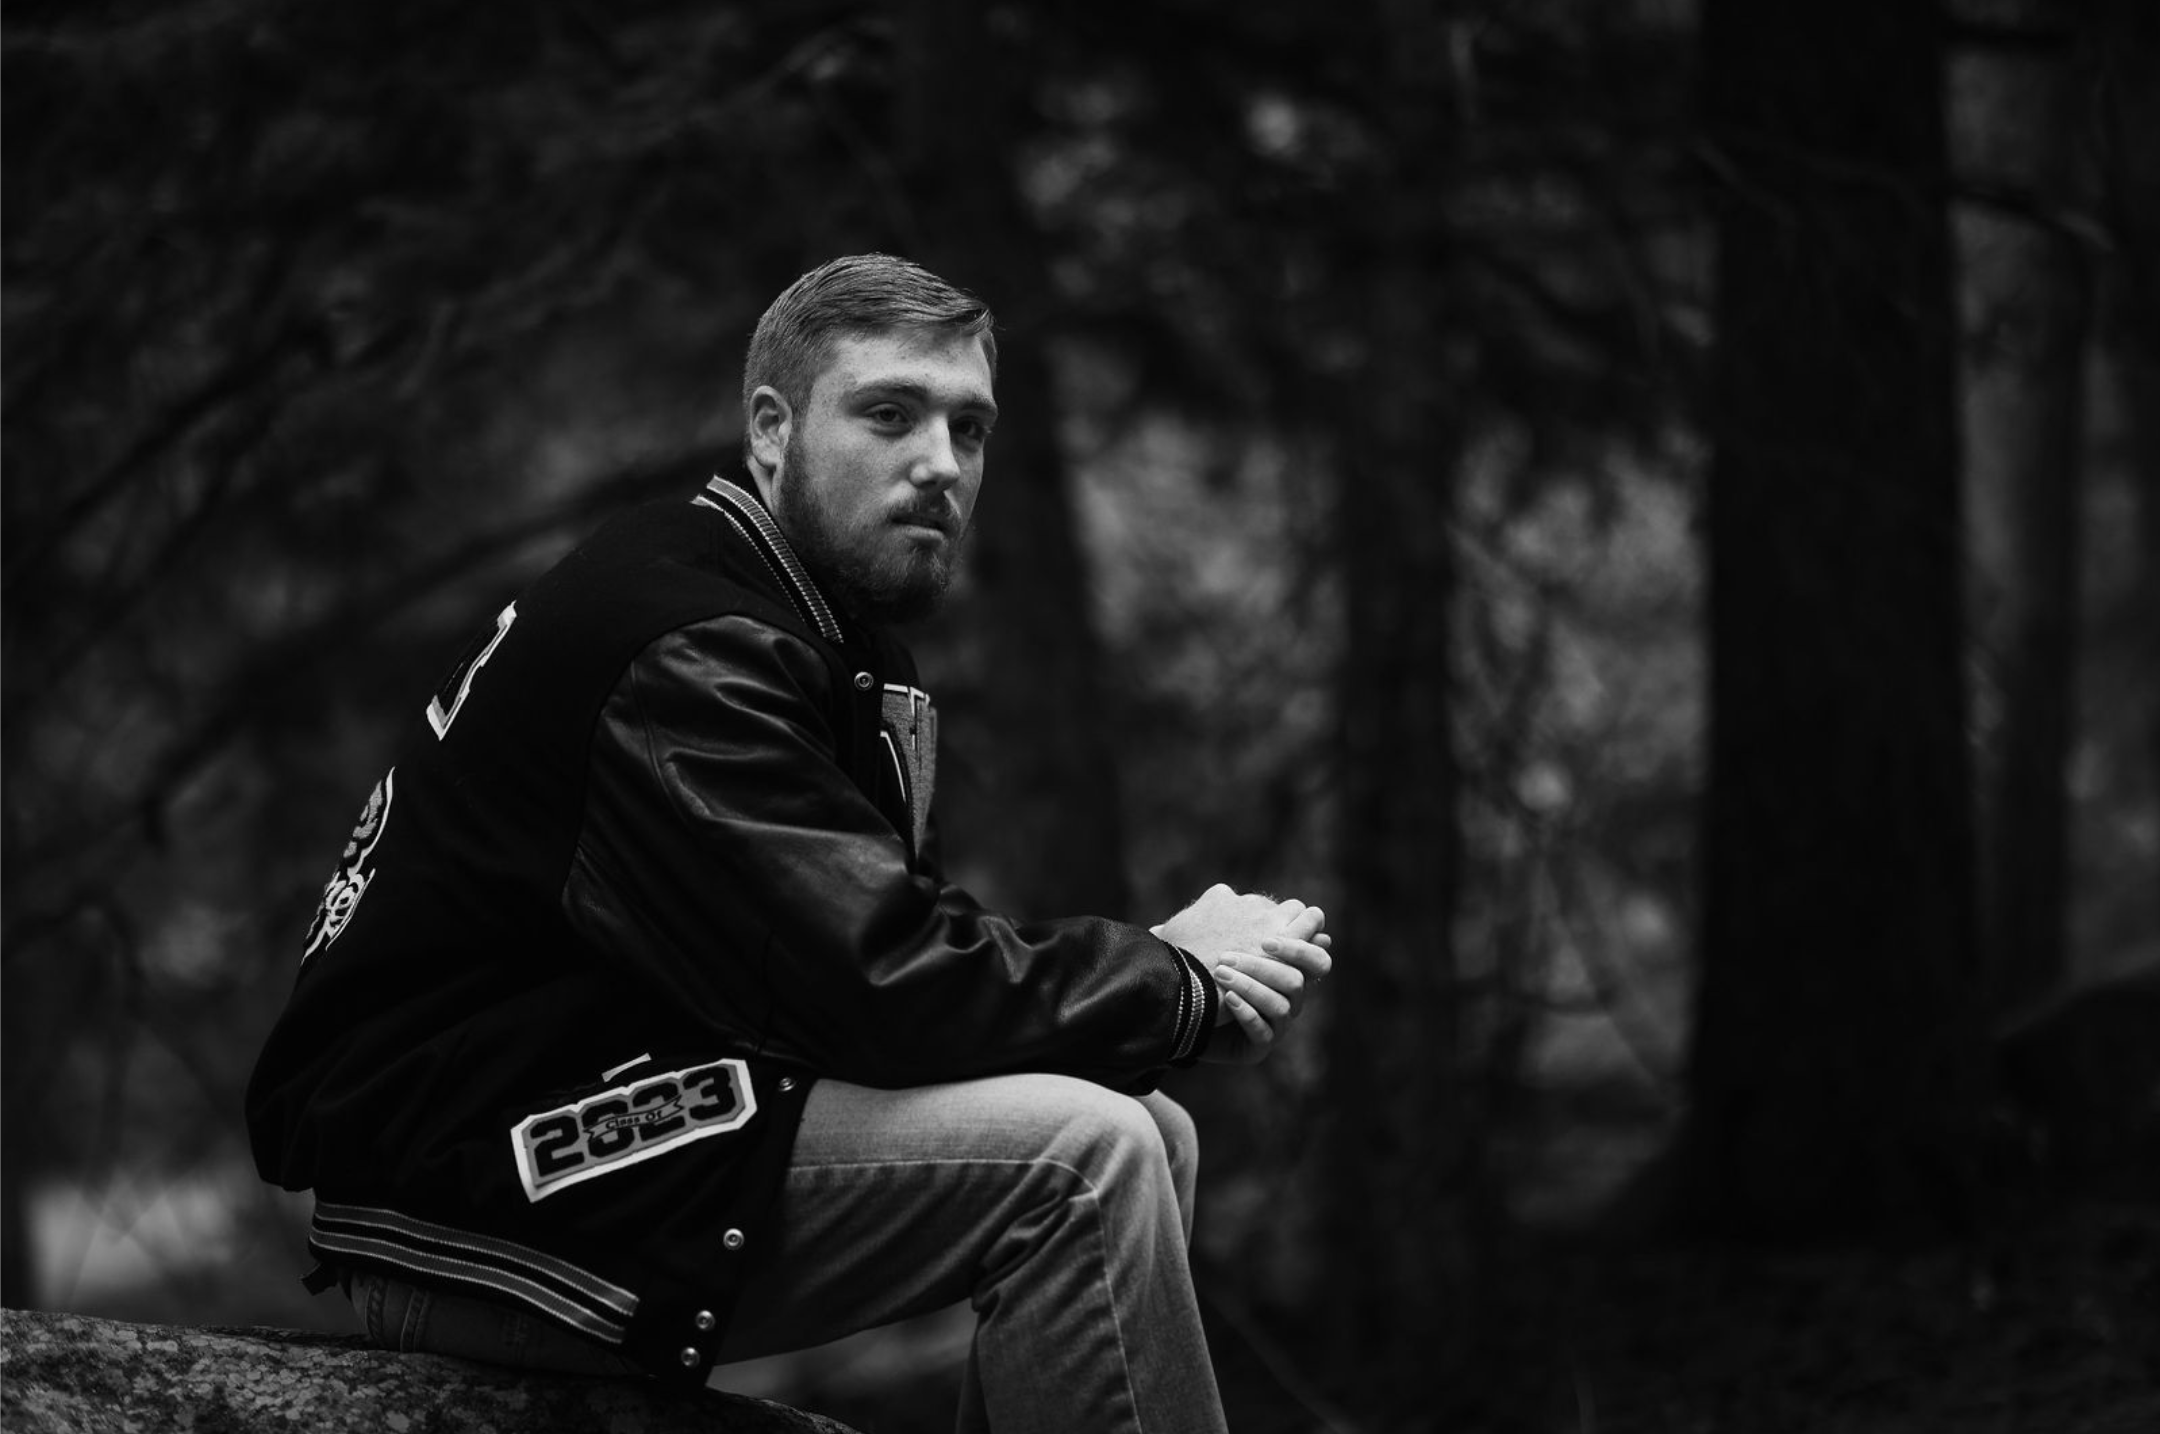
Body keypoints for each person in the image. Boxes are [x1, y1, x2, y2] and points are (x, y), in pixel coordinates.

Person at [245, 253, 1332, 1434]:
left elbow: (843, 973)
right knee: (1088, 1160)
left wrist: (1143, 996)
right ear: (773, 429)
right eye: (888, 414)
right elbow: (876, 981)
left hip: (574, 1138)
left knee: (1148, 1137)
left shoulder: (779, 619)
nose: (940, 464)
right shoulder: (689, 644)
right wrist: (1170, 977)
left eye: (970, 428)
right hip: (472, 1206)